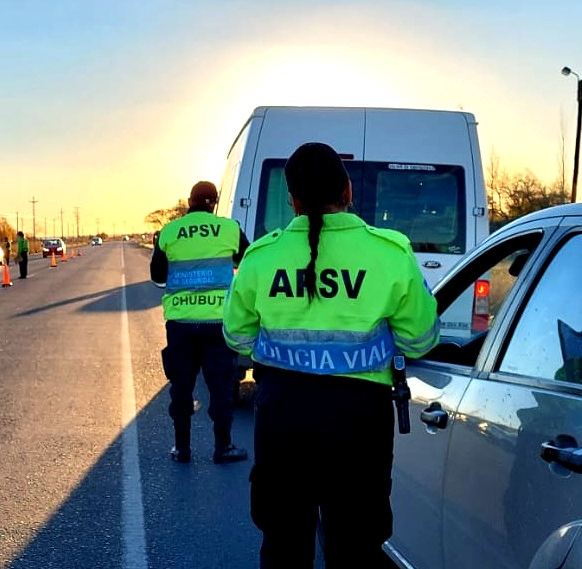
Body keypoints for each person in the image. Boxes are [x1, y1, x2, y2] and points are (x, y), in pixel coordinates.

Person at [222, 142, 440, 568]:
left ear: (292, 200)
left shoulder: (260, 257)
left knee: (283, 546)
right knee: (356, 548)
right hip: (360, 421)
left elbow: (236, 337)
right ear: (348, 191)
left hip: (282, 416)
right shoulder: (390, 252)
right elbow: (420, 340)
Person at [150, 180, 251, 464]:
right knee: (221, 386)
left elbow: (157, 276)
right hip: (217, 322)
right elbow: (247, 261)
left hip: (181, 324)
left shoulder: (170, 231)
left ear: (189, 201)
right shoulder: (229, 229)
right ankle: (223, 447)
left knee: (181, 387)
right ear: (214, 203)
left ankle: (182, 448)